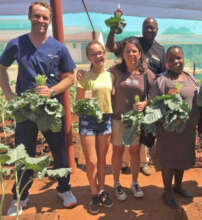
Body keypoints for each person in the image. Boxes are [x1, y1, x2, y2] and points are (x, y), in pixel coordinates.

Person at [0, 1, 77, 216]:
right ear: (29, 17)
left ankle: (64, 189)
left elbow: (70, 77)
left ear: (49, 20)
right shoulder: (17, 44)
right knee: (24, 154)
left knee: (60, 152)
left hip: (51, 110)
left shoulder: (58, 48)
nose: (41, 21)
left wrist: (52, 91)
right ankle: (20, 196)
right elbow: (2, 68)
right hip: (26, 111)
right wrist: (8, 94)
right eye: (37, 16)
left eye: (45, 17)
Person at [106, 13, 165, 175]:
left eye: (152, 27)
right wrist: (112, 30)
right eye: (146, 27)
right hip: (126, 87)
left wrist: (152, 100)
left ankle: (143, 163)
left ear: (157, 30)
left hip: (145, 94)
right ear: (142, 29)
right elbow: (111, 47)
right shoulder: (133, 41)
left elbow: (161, 77)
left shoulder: (160, 50)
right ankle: (125, 163)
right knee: (126, 128)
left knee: (142, 133)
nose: (149, 30)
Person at [151, 46, 199, 208]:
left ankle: (178, 186)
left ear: (184, 58)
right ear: (166, 63)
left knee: (182, 158)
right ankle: (168, 192)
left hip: (187, 130)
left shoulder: (191, 78)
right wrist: (167, 98)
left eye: (179, 58)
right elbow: (153, 105)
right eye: (171, 59)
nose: (176, 62)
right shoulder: (161, 80)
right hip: (168, 130)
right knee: (168, 161)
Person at [109, 37, 155, 201]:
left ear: (140, 53)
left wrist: (146, 102)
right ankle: (116, 183)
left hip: (135, 120)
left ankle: (134, 182)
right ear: (123, 53)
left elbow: (155, 93)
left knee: (135, 152)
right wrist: (83, 73)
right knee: (117, 151)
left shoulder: (145, 74)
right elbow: (99, 76)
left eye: (134, 51)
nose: (131, 54)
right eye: (127, 51)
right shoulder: (115, 71)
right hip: (118, 118)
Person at [75, 41, 114, 214]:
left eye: (101, 52)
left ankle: (102, 190)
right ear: (88, 57)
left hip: (105, 119)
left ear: (104, 54)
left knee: (102, 160)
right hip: (88, 119)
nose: (98, 56)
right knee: (91, 161)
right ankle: (93, 194)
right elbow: (78, 101)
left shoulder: (111, 75)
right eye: (94, 54)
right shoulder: (84, 77)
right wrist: (86, 99)